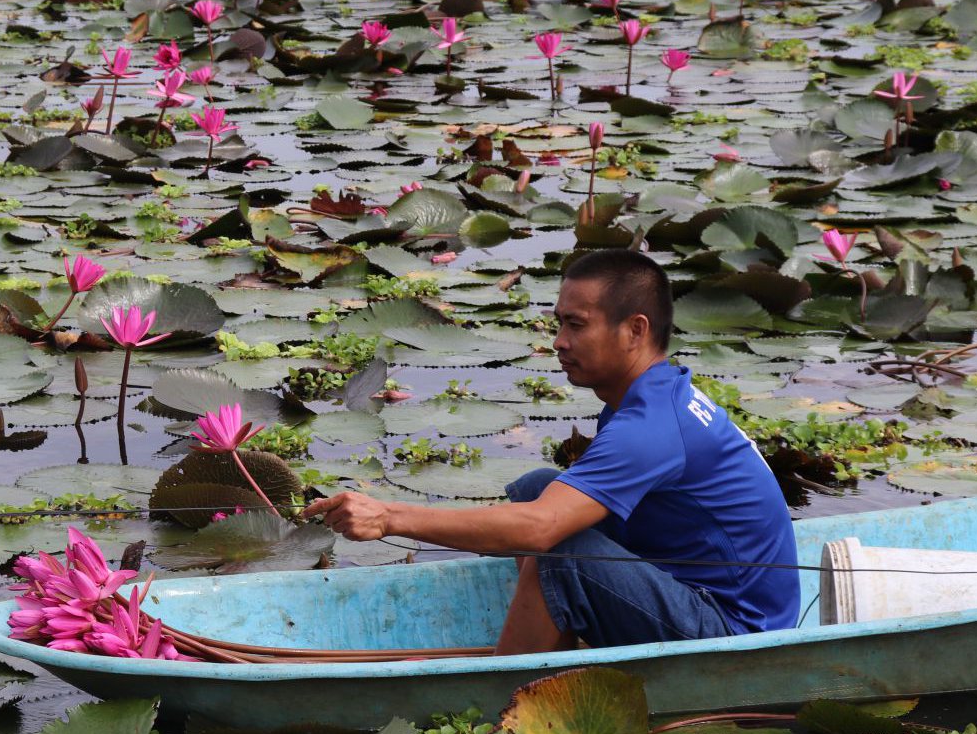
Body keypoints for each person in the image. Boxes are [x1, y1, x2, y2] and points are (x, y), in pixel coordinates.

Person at [303, 249, 799, 654]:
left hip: (736, 635)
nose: (559, 342)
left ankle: (511, 700)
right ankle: (551, 647)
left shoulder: (650, 426)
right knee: (538, 489)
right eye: (559, 324)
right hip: (692, 589)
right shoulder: (652, 394)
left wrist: (389, 516)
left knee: (556, 545)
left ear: (636, 330)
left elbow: (542, 530)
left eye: (577, 325)